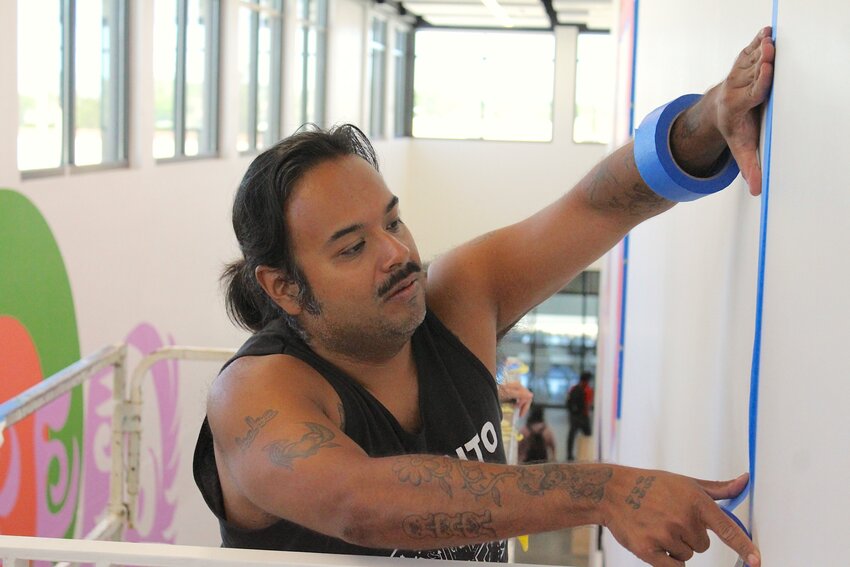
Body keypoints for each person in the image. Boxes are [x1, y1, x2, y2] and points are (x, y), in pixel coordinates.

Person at [194, 27, 773, 566]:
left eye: (392, 223)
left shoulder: (458, 296)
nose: (396, 254)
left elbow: (600, 205)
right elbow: (358, 504)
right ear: (284, 287)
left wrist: (707, 118)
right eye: (352, 248)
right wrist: (604, 490)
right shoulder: (256, 393)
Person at [566, 371, 594, 461]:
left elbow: (568, 401)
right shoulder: (588, 390)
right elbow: (588, 404)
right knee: (588, 436)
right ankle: (587, 455)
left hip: (574, 416)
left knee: (572, 435)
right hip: (583, 416)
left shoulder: (573, 388)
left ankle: (570, 455)